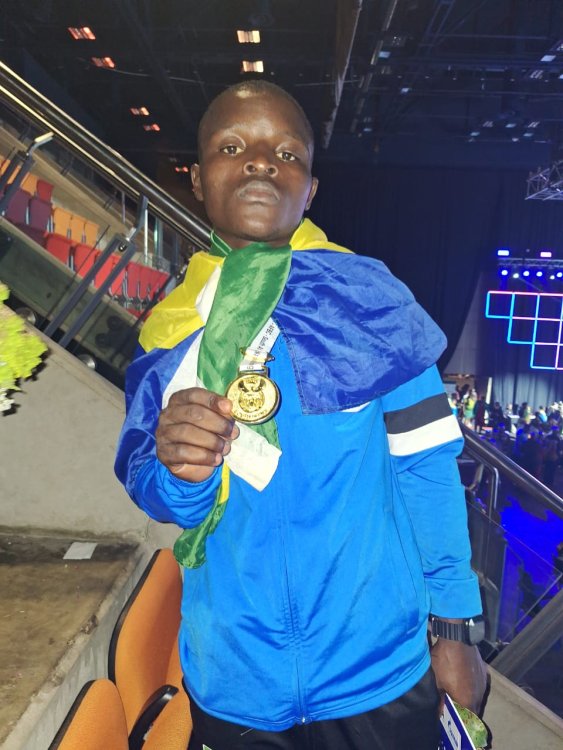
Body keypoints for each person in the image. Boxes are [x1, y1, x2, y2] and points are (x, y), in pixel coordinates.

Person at [115, 80, 487, 750]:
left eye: (286, 153)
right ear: (197, 179)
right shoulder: (169, 333)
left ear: (309, 189)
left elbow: (429, 472)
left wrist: (456, 628)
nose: (261, 162)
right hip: (234, 680)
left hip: (378, 676)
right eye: (233, 147)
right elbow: (158, 494)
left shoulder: (373, 303)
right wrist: (181, 473)